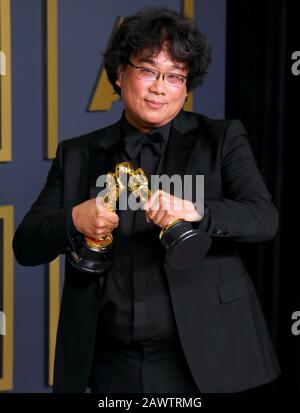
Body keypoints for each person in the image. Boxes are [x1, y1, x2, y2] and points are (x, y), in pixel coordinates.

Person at [13, 7, 280, 393]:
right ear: (120, 73)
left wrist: (197, 210)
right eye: (148, 70)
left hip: (206, 358)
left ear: (186, 87)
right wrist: (74, 220)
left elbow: (263, 218)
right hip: (110, 362)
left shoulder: (220, 138)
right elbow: (26, 245)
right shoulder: (78, 154)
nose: (160, 86)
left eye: (175, 76)